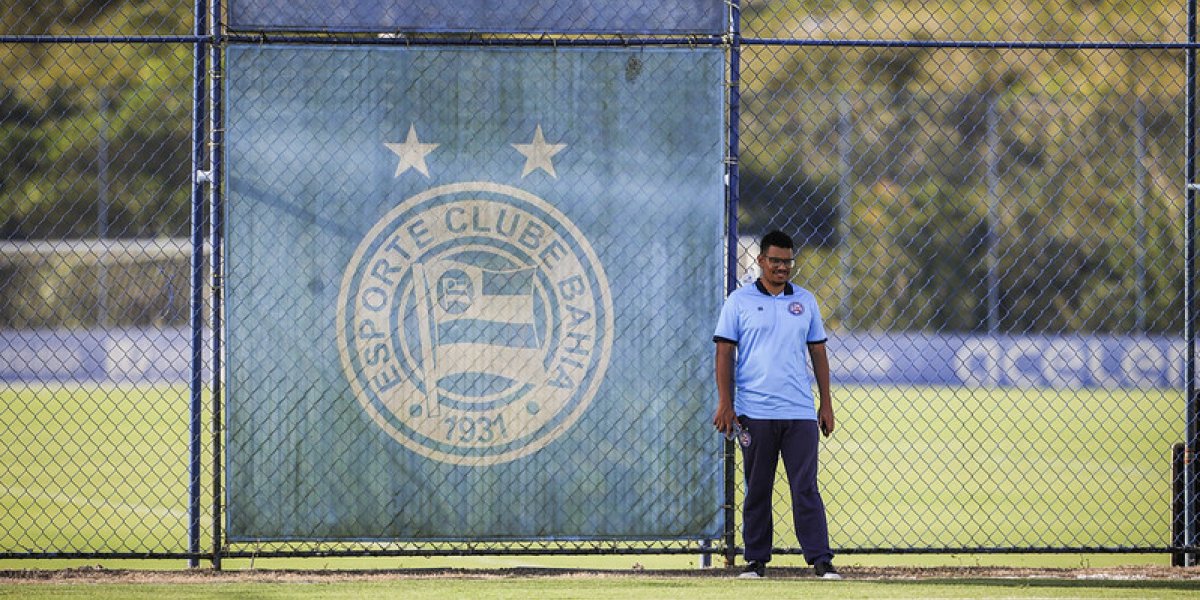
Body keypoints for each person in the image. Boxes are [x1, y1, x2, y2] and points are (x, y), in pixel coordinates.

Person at [712, 229, 841, 580]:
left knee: (805, 487)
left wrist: (826, 404)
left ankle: (821, 560)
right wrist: (725, 403)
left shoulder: (805, 301)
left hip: (799, 412)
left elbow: (818, 352)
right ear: (760, 261)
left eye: (787, 262)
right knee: (758, 488)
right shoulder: (738, 301)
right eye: (775, 261)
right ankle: (756, 561)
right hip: (755, 412)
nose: (782, 267)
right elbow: (724, 352)